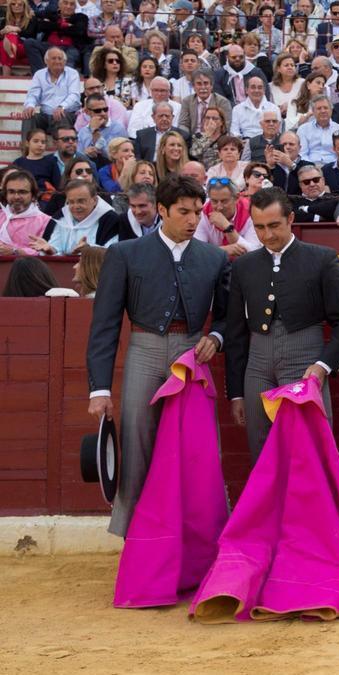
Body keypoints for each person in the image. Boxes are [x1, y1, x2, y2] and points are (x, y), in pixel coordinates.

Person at [85, 174, 229, 536]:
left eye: (199, 211)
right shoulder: (125, 253)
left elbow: (228, 316)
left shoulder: (214, 258)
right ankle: (134, 538)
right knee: (136, 446)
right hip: (144, 350)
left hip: (192, 353)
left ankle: (199, 540)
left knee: (198, 450)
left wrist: (216, 335)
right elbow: (105, 323)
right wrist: (99, 388)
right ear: (162, 210)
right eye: (184, 212)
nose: (194, 220)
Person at [221, 186, 339, 462]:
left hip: (304, 360)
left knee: (308, 452)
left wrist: (323, 366)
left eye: (274, 225)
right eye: (259, 227)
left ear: (291, 219)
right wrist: (236, 392)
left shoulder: (321, 258)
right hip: (257, 366)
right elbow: (235, 332)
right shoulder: (244, 266)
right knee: (261, 450)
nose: (267, 235)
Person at [33, 180, 122, 254]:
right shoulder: (61, 217)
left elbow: (113, 252)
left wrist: (90, 250)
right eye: (71, 202)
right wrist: (50, 250)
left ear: (94, 200)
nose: (76, 206)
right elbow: (56, 247)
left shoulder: (110, 220)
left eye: (81, 201)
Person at [21, 47, 83, 136]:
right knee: (28, 116)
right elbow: (33, 94)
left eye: (60, 58)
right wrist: (30, 106)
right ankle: (26, 148)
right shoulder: (39, 74)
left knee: (61, 115)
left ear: (65, 61)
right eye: (54, 58)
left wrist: (62, 107)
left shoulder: (72, 73)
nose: (57, 61)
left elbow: (74, 95)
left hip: (66, 114)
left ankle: (62, 148)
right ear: (46, 61)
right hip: (45, 115)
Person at [0, 170, 53, 255]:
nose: (16, 197)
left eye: (22, 192)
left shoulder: (46, 221)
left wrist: (15, 251)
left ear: (33, 195)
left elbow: (44, 252)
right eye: (11, 192)